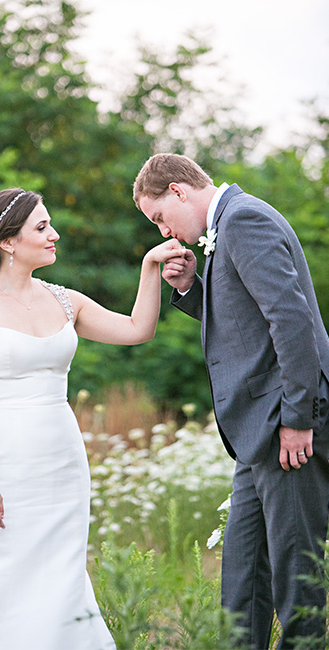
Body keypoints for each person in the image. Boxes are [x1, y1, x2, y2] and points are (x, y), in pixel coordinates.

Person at [0, 188, 186, 649]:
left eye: (50, 224)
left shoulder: (66, 300)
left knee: (61, 575)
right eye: (41, 227)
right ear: (8, 243)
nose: (54, 234)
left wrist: (149, 267)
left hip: (62, 461)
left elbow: (138, 329)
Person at [134, 153, 329, 649]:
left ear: (178, 190)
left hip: (285, 427)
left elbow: (292, 321)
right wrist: (187, 287)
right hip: (254, 437)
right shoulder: (226, 226)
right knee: (242, 580)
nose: (164, 231)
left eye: (159, 216)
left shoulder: (243, 220)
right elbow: (244, 326)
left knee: (296, 575)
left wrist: (297, 418)